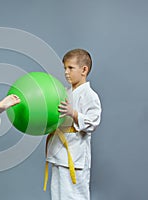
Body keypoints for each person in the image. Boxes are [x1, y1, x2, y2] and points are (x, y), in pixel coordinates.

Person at [44, 49, 102, 200]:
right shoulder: (64, 92)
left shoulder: (90, 95)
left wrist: (74, 113)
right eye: (65, 68)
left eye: (70, 68)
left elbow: (92, 123)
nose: (66, 72)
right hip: (59, 150)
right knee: (58, 194)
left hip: (75, 155)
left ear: (84, 70)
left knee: (74, 195)